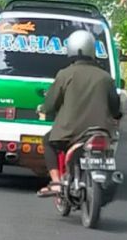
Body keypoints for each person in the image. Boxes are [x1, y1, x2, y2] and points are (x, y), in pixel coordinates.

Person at [36, 30, 122, 197]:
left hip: (70, 133)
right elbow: (115, 107)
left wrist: (43, 109)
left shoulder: (65, 74)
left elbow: (51, 103)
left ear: (71, 49)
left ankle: (56, 183)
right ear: (92, 50)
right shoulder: (105, 77)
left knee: (48, 141)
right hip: (101, 131)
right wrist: (116, 116)